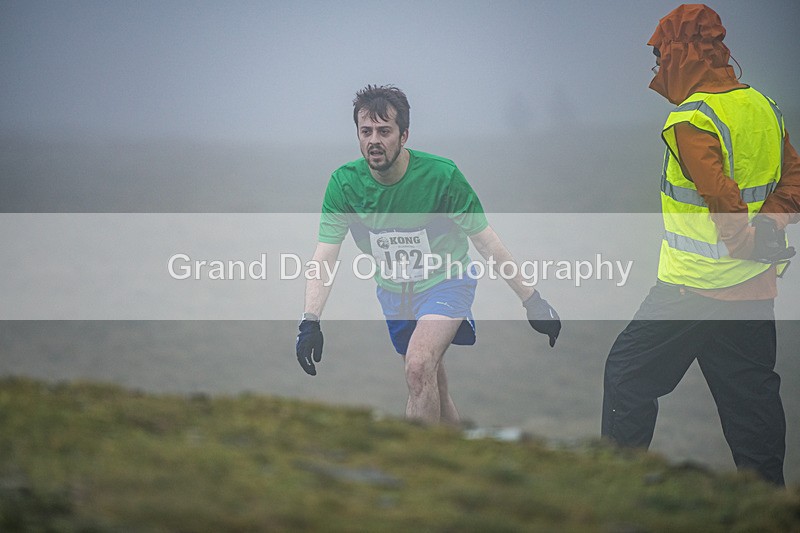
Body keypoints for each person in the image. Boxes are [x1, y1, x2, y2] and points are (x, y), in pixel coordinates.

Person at [601, 4, 800, 486]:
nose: (656, 67)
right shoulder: (762, 105)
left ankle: (618, 490)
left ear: (682, 53)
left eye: (660, 55)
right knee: (750, 400)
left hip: (692, 289)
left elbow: (718, 194)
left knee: (626, 376)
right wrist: (766, 233)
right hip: (753, 289)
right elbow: (793, 176)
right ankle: (769, 503)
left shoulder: (691, 119)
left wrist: (741, 239)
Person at [295, 84, 561, 425]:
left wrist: (532, 299)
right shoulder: (344, 184)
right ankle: (454, 458)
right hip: (395, 294)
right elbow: (324, 259)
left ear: (404, 135)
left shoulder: (442, 176)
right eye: (366, 131)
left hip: (447, 282)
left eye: (384, 131)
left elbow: (486, 242)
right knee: (431, 382)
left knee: (419, 366)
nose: (374, 140)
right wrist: (309, 321)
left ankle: (414, 471)